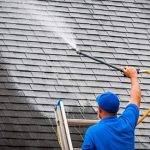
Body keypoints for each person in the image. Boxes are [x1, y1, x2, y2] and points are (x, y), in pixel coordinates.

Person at [82, 66, 141, 150]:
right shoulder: (127, 123)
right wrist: (133, 76)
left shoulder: (93, 132)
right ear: (117, 109)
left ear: (99, 109)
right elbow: (135, 99)